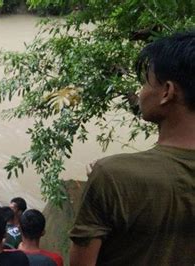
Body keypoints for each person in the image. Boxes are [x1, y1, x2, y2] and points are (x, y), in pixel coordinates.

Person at [69, 31, 195, 266]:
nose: (140, 92)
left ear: (167, 92)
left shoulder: (114, 176)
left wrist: (107, 180)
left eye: (145, 82)